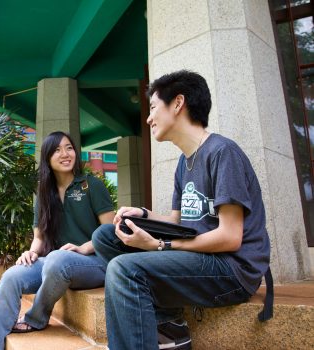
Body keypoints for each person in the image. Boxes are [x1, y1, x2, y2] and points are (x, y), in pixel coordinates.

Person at [92, 70, 273, 350]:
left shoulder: (222, 153)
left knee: (122, 269)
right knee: (106, 236)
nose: (149, 118)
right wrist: (142, 214)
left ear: (178, 103)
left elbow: (230, 237)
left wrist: (160, 245)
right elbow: (177, 220)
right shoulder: (184, 161)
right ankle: (168, 322)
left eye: (153, 108)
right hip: (199, 256)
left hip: (232, 269)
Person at [0, 131, 115, 350]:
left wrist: (82, 248)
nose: (65, 153)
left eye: (69, 147)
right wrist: (31, 252)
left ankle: (36, 319)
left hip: (96, 261)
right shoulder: (44, 194)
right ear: (47, 158)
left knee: (57, 259)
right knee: (12, 275)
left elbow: (110, 231)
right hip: (56, 263)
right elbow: (39, 237)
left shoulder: (91, 185)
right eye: (57, 150)